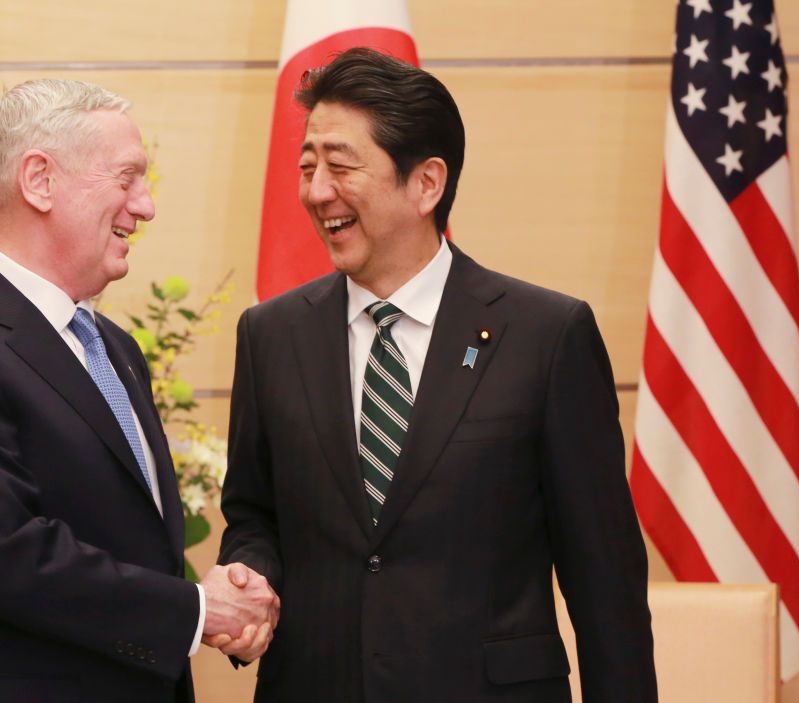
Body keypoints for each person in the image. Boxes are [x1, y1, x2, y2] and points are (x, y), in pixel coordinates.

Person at [218, 48, 657, 702]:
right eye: (307, 166)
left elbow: (606, 583)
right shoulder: (270, 334)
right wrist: (250, 574)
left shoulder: (545, 336)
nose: (315, 191)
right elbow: (255, 513)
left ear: (426, 183)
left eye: (339, 165)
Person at [0, 79, 276, 703]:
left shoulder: (114, 347)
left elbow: (135, 544)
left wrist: (217, 604)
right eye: (127, 178)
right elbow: (8, 560)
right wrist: (197, 612)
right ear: (40, 181)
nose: (146, 206)